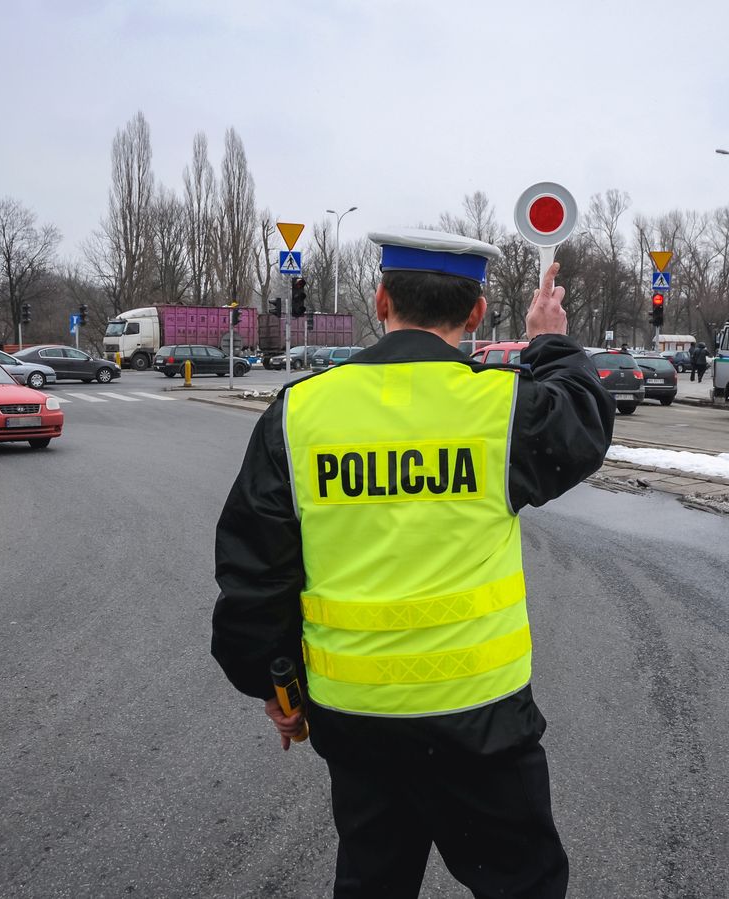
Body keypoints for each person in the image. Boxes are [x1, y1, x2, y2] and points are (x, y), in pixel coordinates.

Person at [212, 228, 615, 899]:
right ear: (477, 312)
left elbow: (256, 574)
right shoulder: (502, 409)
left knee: (373, 882)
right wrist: (548, 337)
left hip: (357, 723)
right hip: (483, 724)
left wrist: (276, 681)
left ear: (381, 300)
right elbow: (585, 419)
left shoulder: (301, 413)